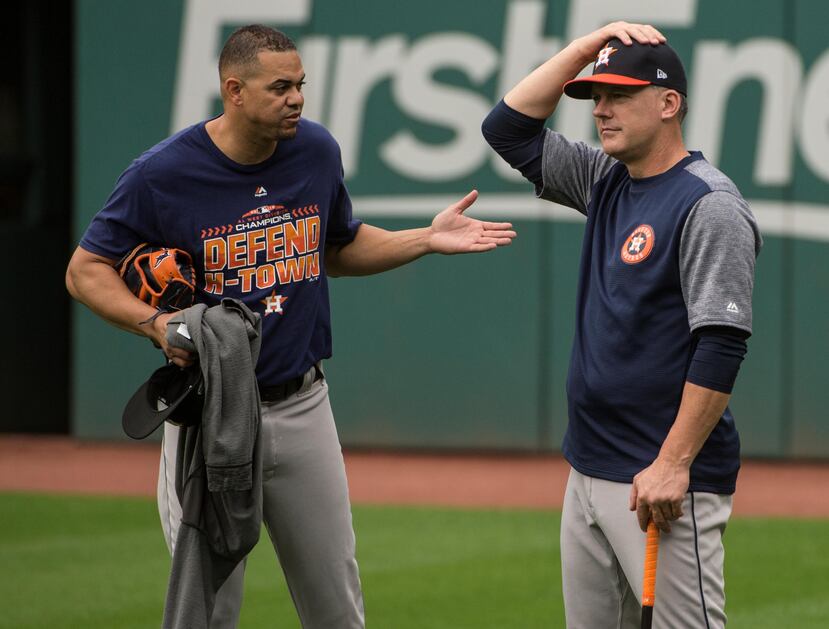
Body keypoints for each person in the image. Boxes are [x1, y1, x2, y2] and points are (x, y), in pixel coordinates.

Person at [66, 24, 516, 628]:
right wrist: (154, 323)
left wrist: (425, 238)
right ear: (235, 91)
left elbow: (338, 246)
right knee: (207, 613)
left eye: (300, 84)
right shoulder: (163, 173)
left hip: (303, 406)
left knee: (337, 608)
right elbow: (85, 269)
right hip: (212, 413)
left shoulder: (315, 151)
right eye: (280, 87)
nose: (297, 98)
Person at [482, 22, 761, 628]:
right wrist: (588, 47)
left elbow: (721, 343)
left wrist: (673, 462)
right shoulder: (606, 179)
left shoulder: (708, 203)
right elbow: (506, 129)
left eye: (619, 95)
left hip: (658, 480)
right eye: (595, 97)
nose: (601, 111)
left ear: (669, 104)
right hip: (587, 466)